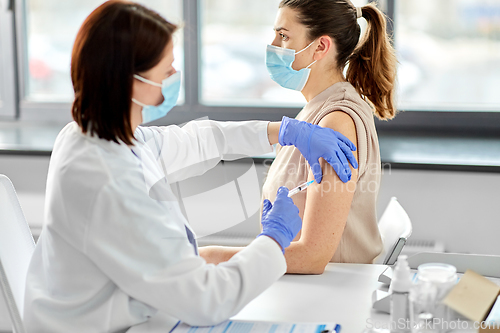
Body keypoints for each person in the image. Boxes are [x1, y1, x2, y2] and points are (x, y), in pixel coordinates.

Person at [23, 1, 358, 332]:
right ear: (132, 81)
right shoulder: (106, 182)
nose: (174, 77)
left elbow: (202, 139)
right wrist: (273, 239)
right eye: (166, 70)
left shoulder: (102, 135)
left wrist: (283, 131)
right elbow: (205, 300)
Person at [199, 0, 397, 273]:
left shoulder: (336, 121)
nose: (272, 44)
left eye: (283, 35)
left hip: (328, 292)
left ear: (320, 47)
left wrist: (207, 257)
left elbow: (312, 257)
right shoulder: (316, 108)